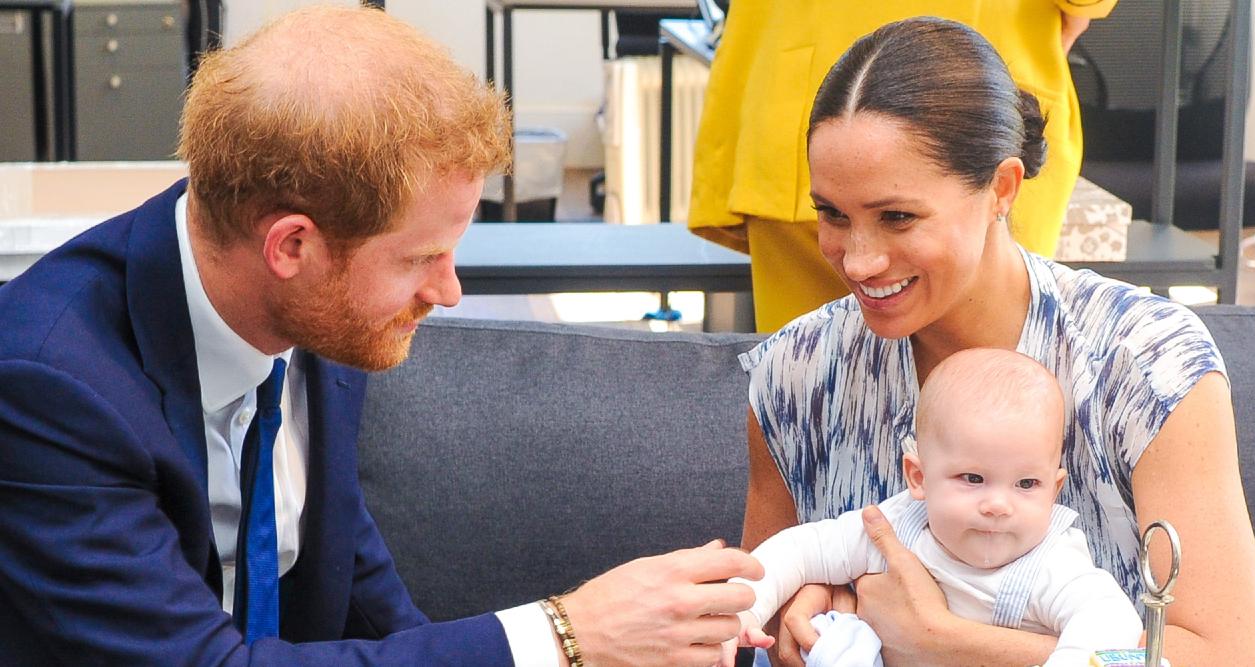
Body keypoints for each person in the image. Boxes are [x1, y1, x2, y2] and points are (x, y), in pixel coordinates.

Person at [0, 6, 761, 666]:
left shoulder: (316, 323)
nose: (448, 291)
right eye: (421, 258)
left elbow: (370, 607)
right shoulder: (49, 384)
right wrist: (564, 635)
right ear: (292, 246)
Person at [738, 17, 1255, 667]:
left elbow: (1233, 656)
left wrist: (941, 637)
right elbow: (753, 617)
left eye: (897, 216)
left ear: (1002, 188)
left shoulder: (1144, 362)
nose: (858, 259)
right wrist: (802, 604)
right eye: (832, 213)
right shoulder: (796, 374)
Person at [688, 0, 1117, 332]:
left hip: (794, 91)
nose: (862, 261)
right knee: (990, 401)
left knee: (813, 400)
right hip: (978, 100)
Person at [720, 349, 1141, 667]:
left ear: (1055, 489)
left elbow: (1110, 624)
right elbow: (800, 549)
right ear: (918, 477)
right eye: (973, 479)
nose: (997, 505)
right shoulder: (896, 528)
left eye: (1027, 484)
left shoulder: (1052, 565)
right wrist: (744, 612)